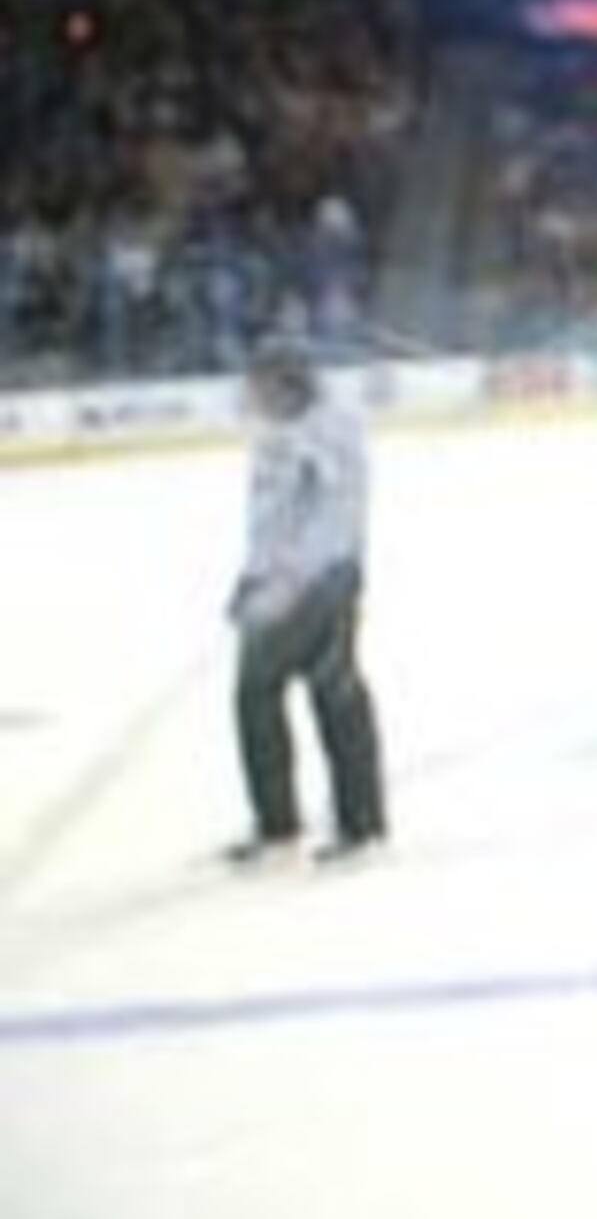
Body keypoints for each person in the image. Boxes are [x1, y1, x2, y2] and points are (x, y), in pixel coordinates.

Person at [222, 336, 386, 863]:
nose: (256, 396)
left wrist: (287, 583)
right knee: (263, 696)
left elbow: (330, 518)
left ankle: (354, 826)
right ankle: (285, 825)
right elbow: (270, 516)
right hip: (281, 588)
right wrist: (252, 576)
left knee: (330, 696)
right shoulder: (277, 430)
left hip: (322, 583)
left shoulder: (331, 430)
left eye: (265, 385)